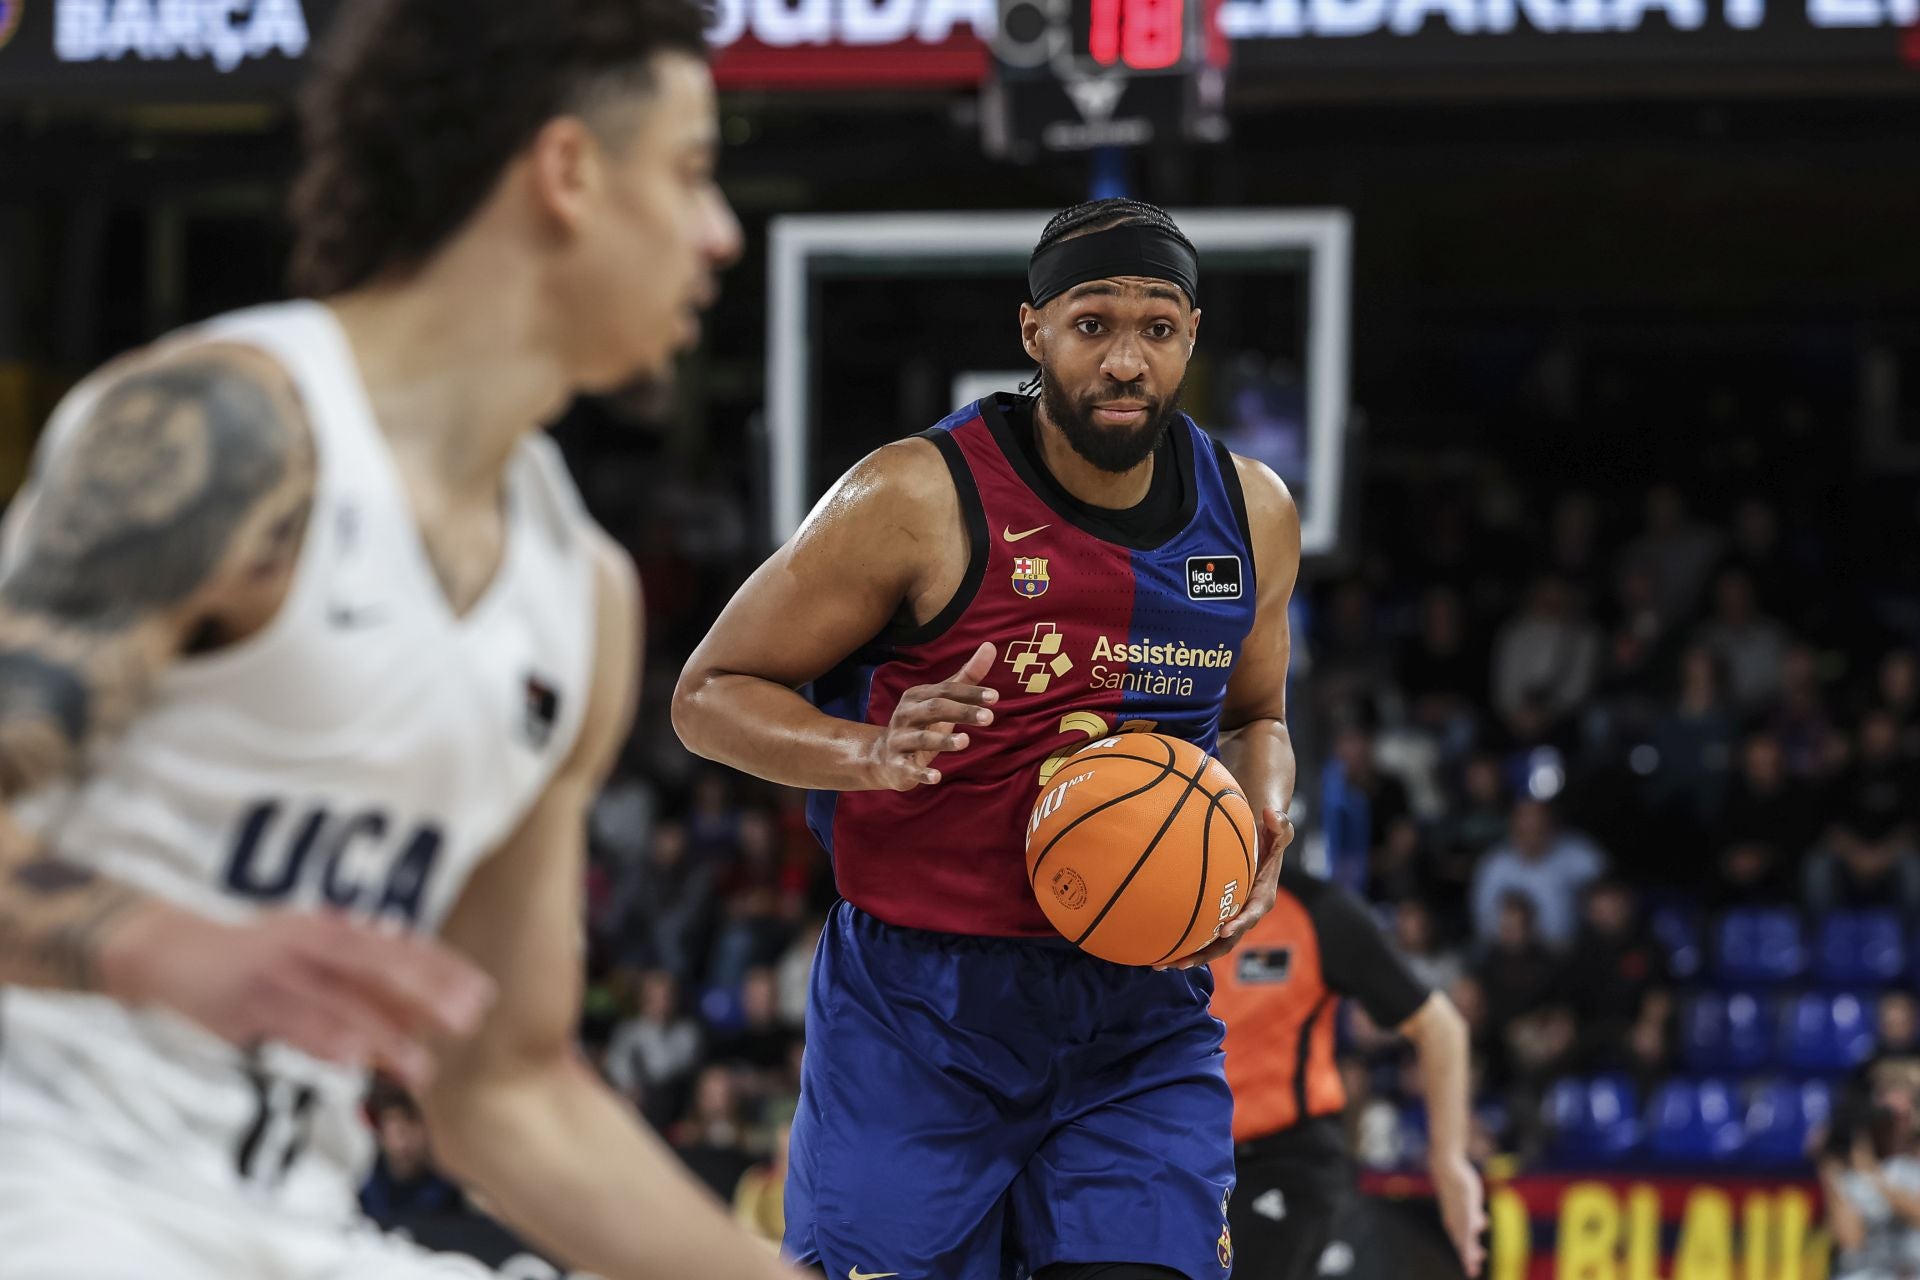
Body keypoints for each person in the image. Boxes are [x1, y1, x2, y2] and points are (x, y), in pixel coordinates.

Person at [0, 1, 789, 1277]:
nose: (719, 234)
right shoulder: (236, 435)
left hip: (287, 1220)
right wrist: (164, 946)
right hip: (48, 1178)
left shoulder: (577, 586)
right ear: (568, 173)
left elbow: (507, 1087)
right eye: (693, 174)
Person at [675, 198, 1301, 1280]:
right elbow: (706, 692)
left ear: (1190, 339)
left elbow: (1258, 717)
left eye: (1157, 327)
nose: (1125, 358)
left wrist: (1262, 813)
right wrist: (864, 749)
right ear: (1033, 332)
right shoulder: (913, 496)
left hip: (1136, 1008)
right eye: (1092, 322)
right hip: (923, 1008)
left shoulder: (1253, 513)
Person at [1210, 860, 1486, 1280]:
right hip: (1188, 1157)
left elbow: (1440, 1027)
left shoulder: (1316, 910)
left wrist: (1449, 1164)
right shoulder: (1155, 905)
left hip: (1283, 1159)